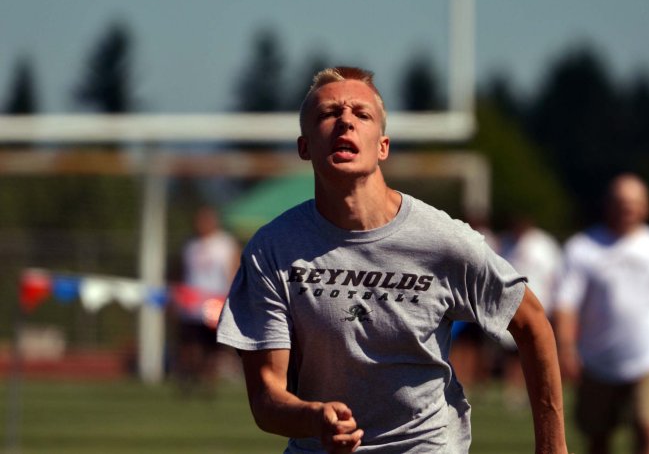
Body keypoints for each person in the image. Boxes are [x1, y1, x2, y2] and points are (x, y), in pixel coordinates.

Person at [216, 67, 570, 453]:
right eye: (328, 114)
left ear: (383, 146)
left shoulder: (442, 240)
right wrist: (313, 418)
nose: (345, 121)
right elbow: (267, 398)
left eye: (360, 114)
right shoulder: (272, 248)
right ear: (304, 147)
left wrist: (552, 446)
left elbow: (532, 323)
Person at [553, 174, 649, 454]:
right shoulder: (582, 249)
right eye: (620, 202)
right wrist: (566, 348)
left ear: (646, 207)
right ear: (608, 205)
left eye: (634, 203)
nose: (627, 209)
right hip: (597, 361)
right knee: (598, 438)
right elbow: (565, 304)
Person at [497, 214, 563, 407]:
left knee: (538, 351)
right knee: (512, 353)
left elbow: (555, 275)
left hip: (539, 305)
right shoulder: (506, 243)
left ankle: (538, 390)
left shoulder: (544, 245)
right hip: (511, 306)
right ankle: (513, 390)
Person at [175, 205, 240, 396]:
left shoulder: (225, 244)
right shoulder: (191, 246)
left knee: (213, 347)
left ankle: (208, 384)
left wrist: (233, 298)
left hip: (215, 302)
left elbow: (233, 270)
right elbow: (184, 273)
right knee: (190, 344)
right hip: (192, 303)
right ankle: (188, 379)